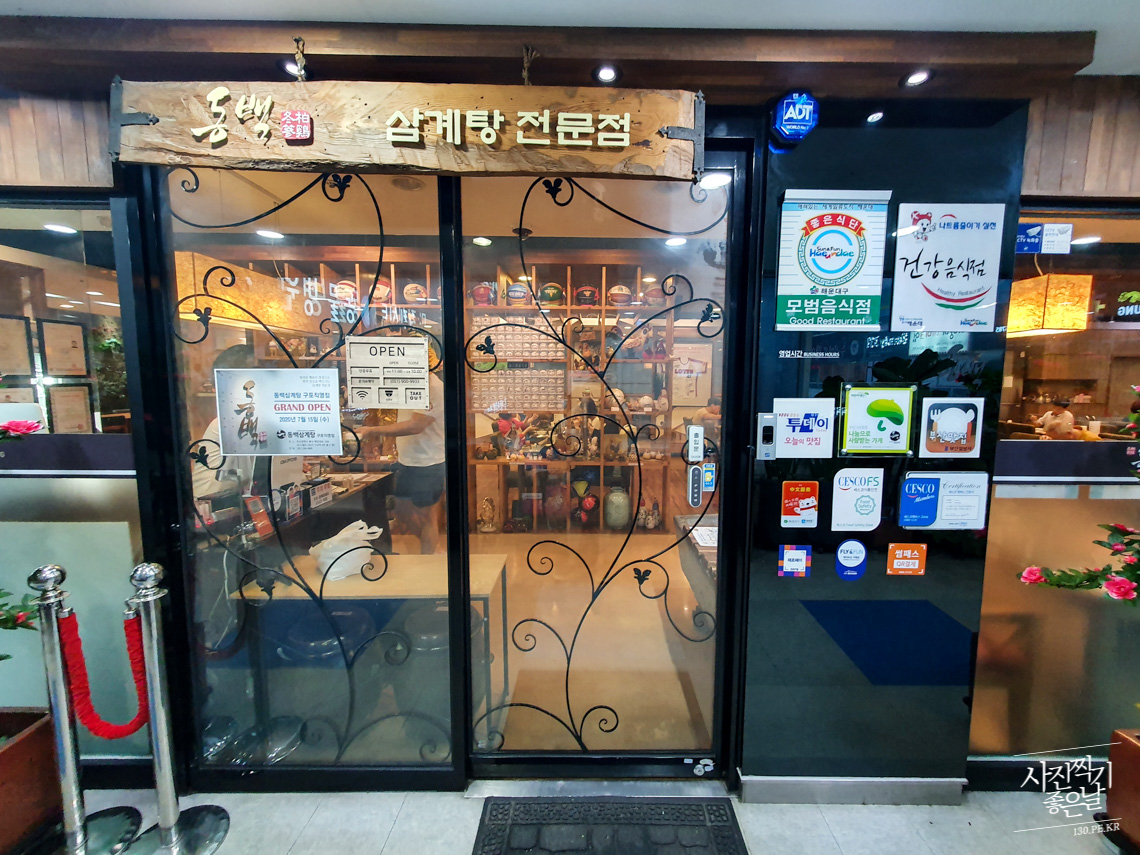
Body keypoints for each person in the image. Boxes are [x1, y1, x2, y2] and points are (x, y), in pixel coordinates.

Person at [363, 370, 446, 554]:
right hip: (407, 460)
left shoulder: (434, 387)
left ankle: (428, 558)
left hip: (429, 462)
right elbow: (404, 420)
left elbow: (416, 425)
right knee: (401, 512)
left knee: (427, 516)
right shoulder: (408, 383)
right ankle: (434, 550)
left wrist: (372, 430)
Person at [192, 344, 258, 500]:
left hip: (231, 498)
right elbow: (256, 472)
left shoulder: (246, 416)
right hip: (211, 502)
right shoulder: (232, 420)